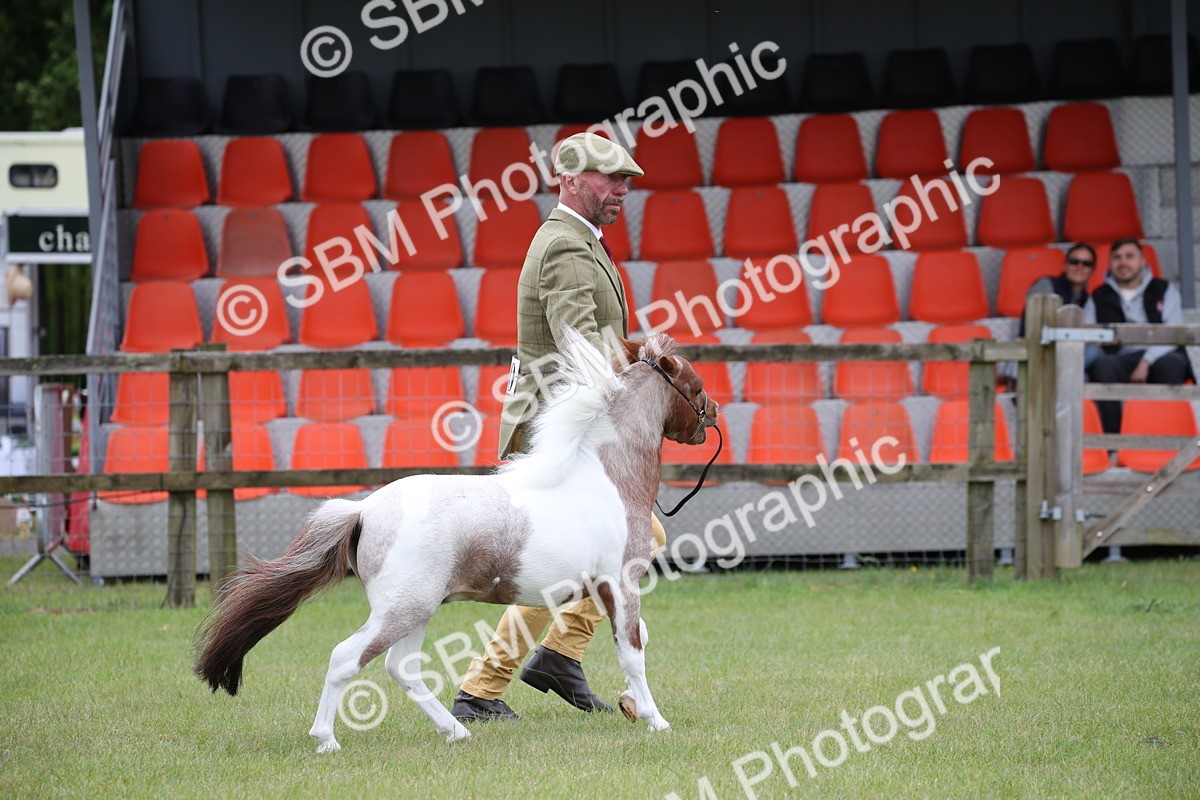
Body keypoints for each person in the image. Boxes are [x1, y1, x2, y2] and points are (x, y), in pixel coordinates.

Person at [452, 132, 668, 722]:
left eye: (627, 181)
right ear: (571, 180)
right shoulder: (567, 248)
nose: (622, 190)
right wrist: (648, 361)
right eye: (610, 179)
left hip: (568, 428)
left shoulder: (580, 241)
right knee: (621, 544)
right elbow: (582, 344)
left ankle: (543, 664)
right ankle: (492, 683)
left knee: (630, 541)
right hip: (559, 430)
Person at [1083, 237, 1193, 433]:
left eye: (1129, 256)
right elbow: (1089, 335)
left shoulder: (1165, 290)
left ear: (1142, 261)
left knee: (1173, 363)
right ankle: (1113, 444)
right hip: (1119, 357)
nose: (1123, 262)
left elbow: (1173, 333)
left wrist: (1146, 362)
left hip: (1159, 354)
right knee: (1102, 366)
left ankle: (1165, 437)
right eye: (1117, 257)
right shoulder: (1098, 296)